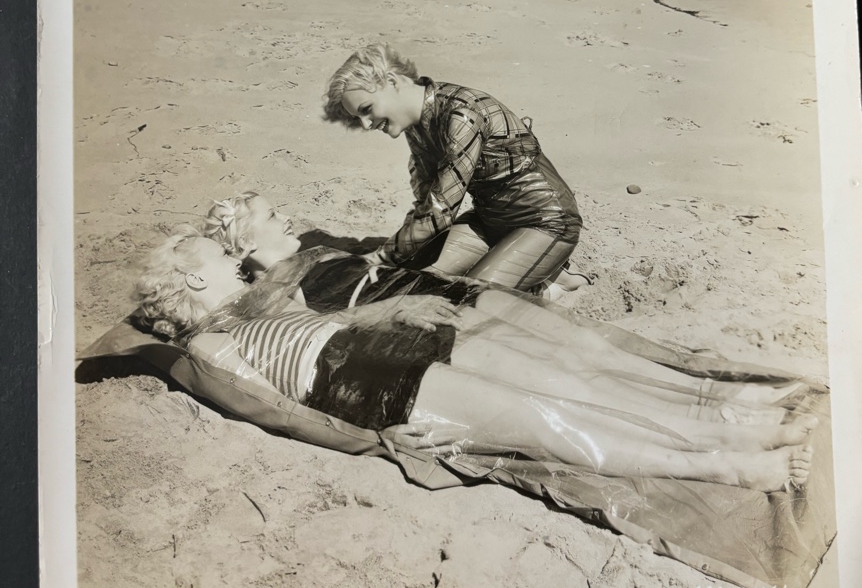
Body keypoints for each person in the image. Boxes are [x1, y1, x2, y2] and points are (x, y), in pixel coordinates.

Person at [132, 225, 817, 491]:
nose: (234, 262)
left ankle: (733, 423)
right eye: (220, 259)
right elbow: (281, 412)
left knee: (565, 378)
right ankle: (721, 464)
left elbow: (328, 308)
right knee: (546, 419)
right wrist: (377, 439)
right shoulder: (209, 347)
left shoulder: (258, 307)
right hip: (364, 383)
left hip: (395, 340)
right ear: (194, 282)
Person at [203, 191, 807, 420]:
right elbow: (315, 338)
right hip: (426, 324)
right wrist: (386, 312)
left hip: (447, 296)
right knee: (566, 370)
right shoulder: (272, 292)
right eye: (271, 216)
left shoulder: (319, 249)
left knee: (585, 346)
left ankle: (715, 397)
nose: (287, 215)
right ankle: (704, 413)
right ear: (247, 244)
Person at [322, 44, 585, 293]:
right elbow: (425, 204)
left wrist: (380, 256)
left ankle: (549, 287)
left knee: (469, 296)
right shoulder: (417, 128)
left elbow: (439, 213)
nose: (366, 125)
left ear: (392, 81)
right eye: (359, 118)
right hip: (488, 222)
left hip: (545, 223)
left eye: (366, 110)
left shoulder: (462, 113)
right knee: (409, 282)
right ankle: (538, 269)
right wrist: (390, 260)